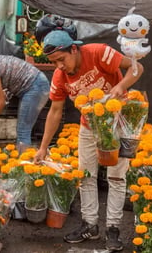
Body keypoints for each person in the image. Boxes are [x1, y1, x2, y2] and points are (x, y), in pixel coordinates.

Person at [33, 30, 144, 252]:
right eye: (54, 62)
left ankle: (113, 228)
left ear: (73, 49)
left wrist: (121, 87)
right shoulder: (59, 76)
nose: (59, 66)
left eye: (61, 59)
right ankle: (89, 225)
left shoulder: (99, 53)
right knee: (86, 176)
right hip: (88, 127)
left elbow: (137, 68)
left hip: (117, 125)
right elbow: (55, 111)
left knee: (116, 177)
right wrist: (43, 148)